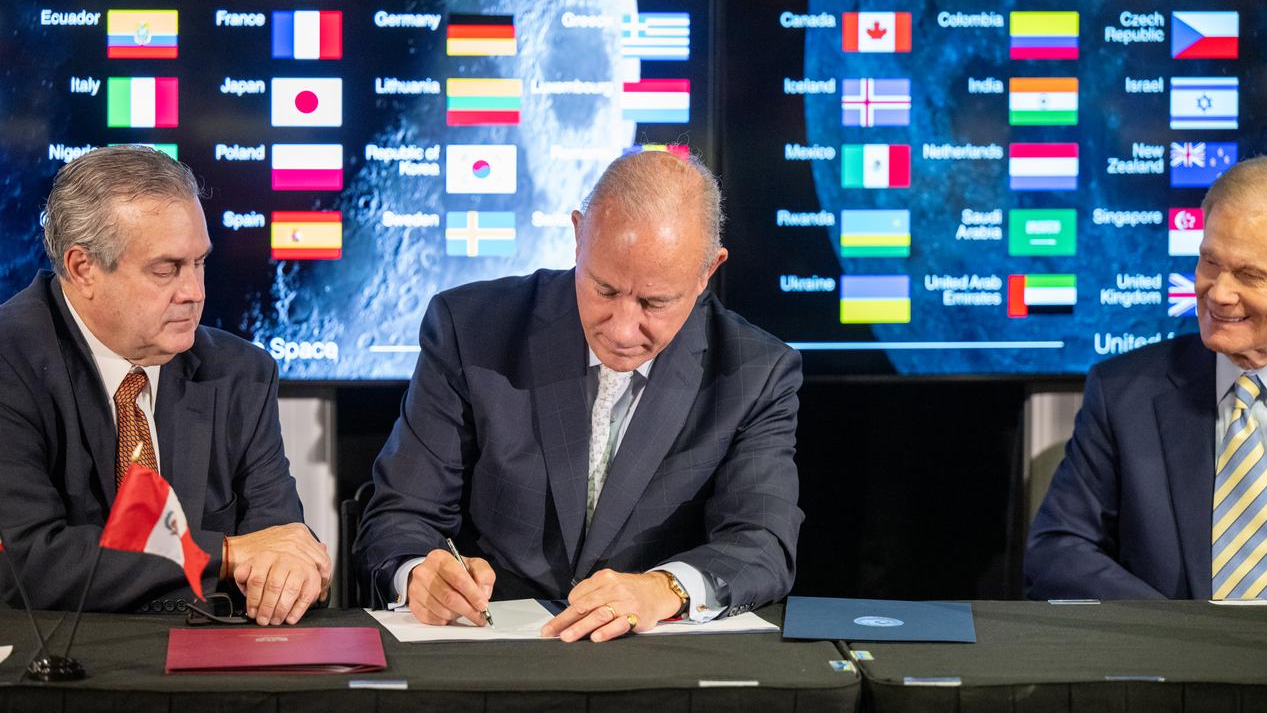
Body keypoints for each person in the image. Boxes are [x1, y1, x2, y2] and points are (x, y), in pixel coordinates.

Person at [355, 150, 803, 641]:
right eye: (604, 289)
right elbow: (401, 516)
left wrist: (663, 589)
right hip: (490, 644)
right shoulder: (470, 330)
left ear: (707, 272)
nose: (622, 329)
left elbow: (761, 543)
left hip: (650, 655)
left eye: (654, 302)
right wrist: (419, 574)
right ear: (577, 235)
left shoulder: (754, 371)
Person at [0, 145, 330, 625]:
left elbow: (278, 541)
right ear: (82, 268)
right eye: (166, 269)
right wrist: (227, 553)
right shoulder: (11, 360)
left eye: (199, 263)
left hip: (207, 654)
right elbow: (31, 561)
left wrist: (293, 570)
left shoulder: (241, 373)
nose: (194, 292)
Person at [1026, 155, 1267, 600]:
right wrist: (1180, 631)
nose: (1219, 293)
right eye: (1209, 262)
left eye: (1249, 275)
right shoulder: (1123, 394)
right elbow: (1058, 552)